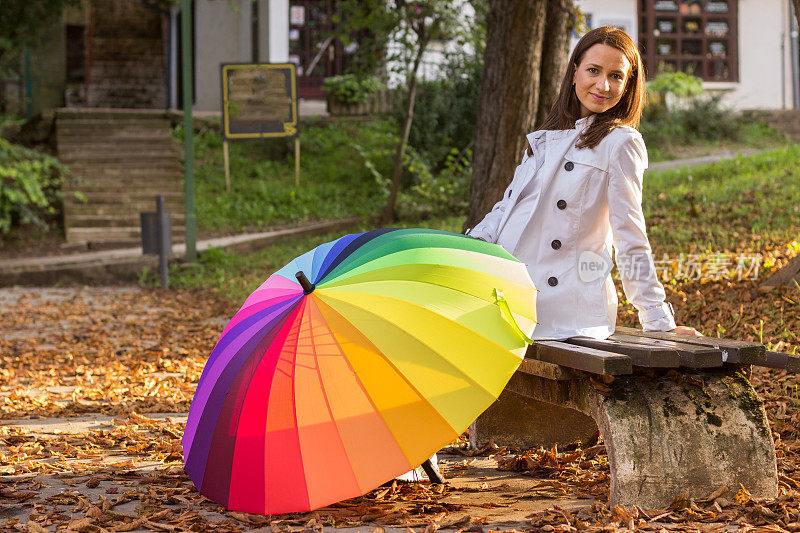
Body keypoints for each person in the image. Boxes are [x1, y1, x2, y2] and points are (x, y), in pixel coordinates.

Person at [467, 26, 700, 340]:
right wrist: (468, 248)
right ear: (574, 71)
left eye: (616, 76)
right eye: (593, 70)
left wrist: (657, 319)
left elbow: (630, 236)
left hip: (561, 309)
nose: (603, 85)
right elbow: (507, 208)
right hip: (504, 287)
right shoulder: (546, 138)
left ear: (629, 83)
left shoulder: (620, 143)